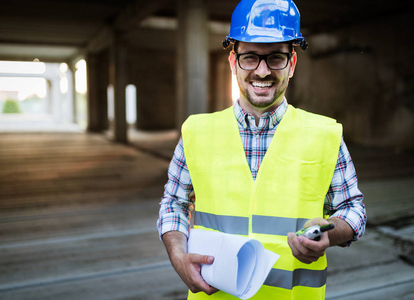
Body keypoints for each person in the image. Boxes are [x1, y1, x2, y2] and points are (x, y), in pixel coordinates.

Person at [157, 0, 366, 299]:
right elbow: (173, 204)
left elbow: (354, 209)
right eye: (250, 57)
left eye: (276, 58)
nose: (262, 71)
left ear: (291, 64)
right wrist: (178, 256)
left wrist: (330, 233)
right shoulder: (196, 132)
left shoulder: (325, 134)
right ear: (233, 62)